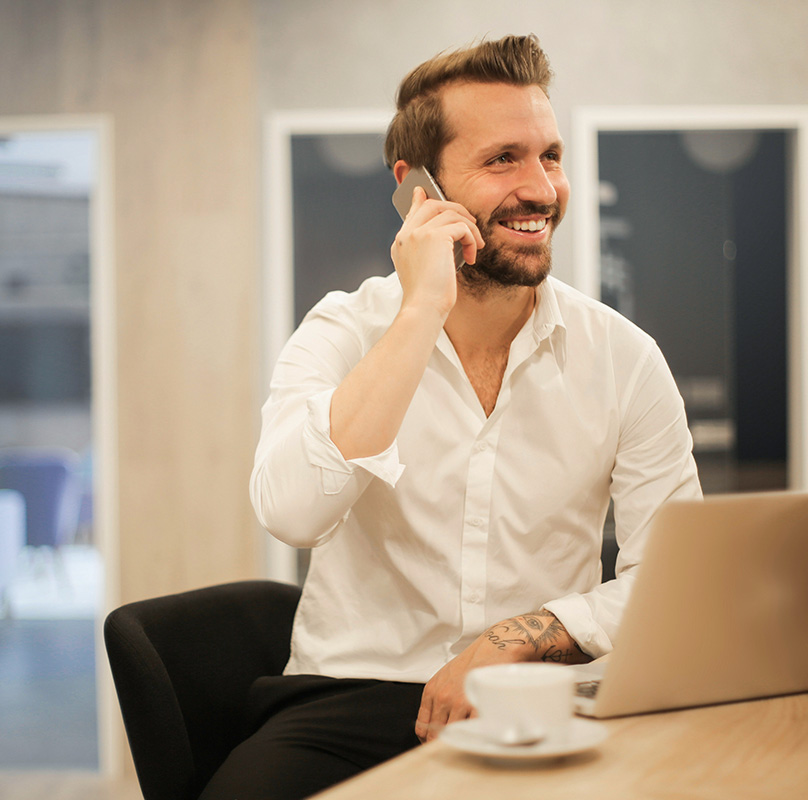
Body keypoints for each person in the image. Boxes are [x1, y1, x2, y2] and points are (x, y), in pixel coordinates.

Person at [199, 33, 701, 800]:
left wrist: (514, 639)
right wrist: (420, 311)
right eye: (503, 159)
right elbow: (293, 512)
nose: (542, 189)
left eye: (551, 156)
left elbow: (671, 580)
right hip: (351, 697)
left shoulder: (624, 359)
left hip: (543, 694)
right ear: (418, 187)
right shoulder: (342, 331)